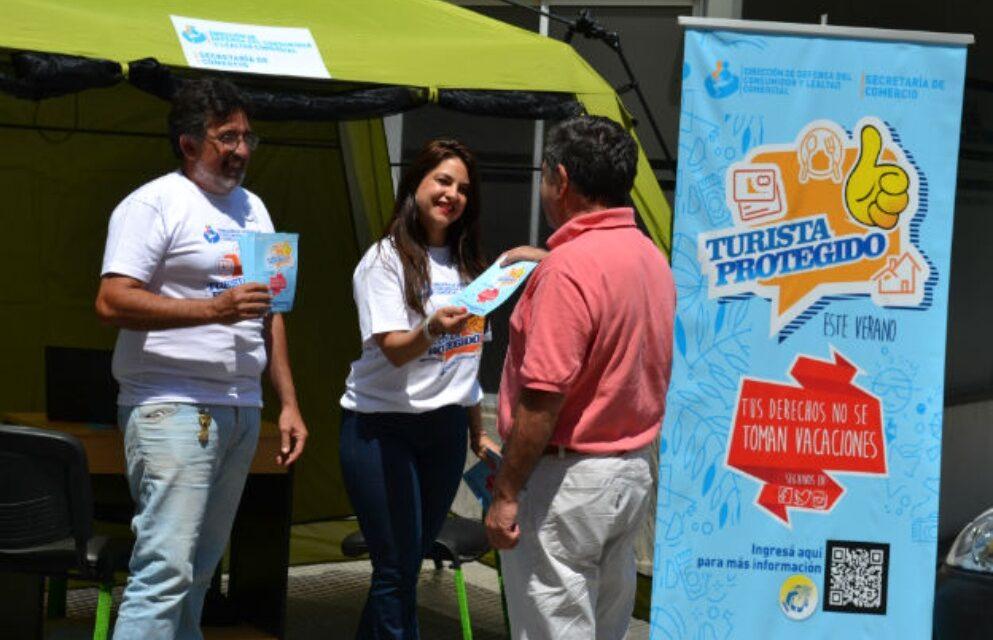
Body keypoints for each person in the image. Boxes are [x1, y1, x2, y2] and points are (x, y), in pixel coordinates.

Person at [94, 77, 307, 639]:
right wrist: (213, 310)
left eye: (247, 138)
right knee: (164, 572)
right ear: (189, 144)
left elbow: (271, 311)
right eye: (226, 137)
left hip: (240, 409)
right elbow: (111, 299)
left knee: (199, 575)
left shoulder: (254, 207)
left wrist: (287, 403)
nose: (240, 150)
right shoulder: (154, 203)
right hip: (172, 406)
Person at [485, 115, 676, 639]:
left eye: (546, 175)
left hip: (567, 481)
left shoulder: (567, 272)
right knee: (605, 625)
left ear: (561, 180)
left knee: (552, 628)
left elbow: (541, 401)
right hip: (629, 472)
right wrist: (550, 260)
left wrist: (506, 492)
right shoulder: (648, 257)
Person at [339, 138, 524, 639]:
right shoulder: (384, 259)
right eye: (442, 181)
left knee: (404, 566)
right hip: (381, 430)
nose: (452, 195)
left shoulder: (470, 266)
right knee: (396, 569)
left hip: (443, 432)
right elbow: (397, 349)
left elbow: (465, 363)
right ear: (415, 184)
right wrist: (433, 328)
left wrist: (474, 432)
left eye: (463, 188)